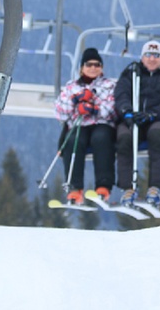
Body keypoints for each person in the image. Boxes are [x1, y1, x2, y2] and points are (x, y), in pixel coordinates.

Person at [114, 40, 160, 208]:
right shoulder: (131, 75)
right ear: (142, 57)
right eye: (148, 55)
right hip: (132, 117)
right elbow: (121, 94)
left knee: (157, 136)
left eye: (156, 55)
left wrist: (152, 114)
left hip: (155, 119)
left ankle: (155, 187)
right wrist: (126, 112)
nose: (152, 59)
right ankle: (127, 187)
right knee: (124, 138)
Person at [54, 47, 118, 205]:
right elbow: (60, 113)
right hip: (79, 123)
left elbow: (113, 109)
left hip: (101, 123)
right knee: (73, 141)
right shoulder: (71, 87)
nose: (93, 68)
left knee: (101, 139)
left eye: (97, 65)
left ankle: (103, 185)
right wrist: (74, 101)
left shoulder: (109, 85)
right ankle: (75, 188)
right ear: (82, 67)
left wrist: (94, 109)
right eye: (89, 65)